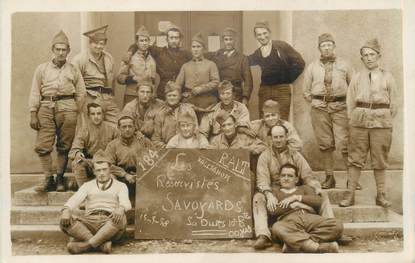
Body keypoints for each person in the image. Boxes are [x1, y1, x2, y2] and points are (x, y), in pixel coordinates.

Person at [340, 39, 397, 208]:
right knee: (355, 158)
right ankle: (350, 195)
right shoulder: (357, 77)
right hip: (359, 123)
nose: (369, 58)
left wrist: (382, 117)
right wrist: (354, 120)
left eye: (372, 54)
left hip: (381, 123)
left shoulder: (388, 77)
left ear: (379, 56)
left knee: (379, 159)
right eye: (365, 55)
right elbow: (350, 103)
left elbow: (394, 104)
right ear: (362, 59)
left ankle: (381, 195)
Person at [253, 125, 328, 250]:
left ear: (286, 137)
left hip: (294, 190)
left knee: (322, 195)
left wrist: (316, 187)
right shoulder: (265, 156)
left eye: (281, 137)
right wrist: (268, 194)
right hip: (275, 193)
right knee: (258, 197)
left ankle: (326, 224)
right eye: (275, 137)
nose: (278, 140)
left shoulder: (296, 155)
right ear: (271, 138)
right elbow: (262, 180)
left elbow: (307, 176)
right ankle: (263, 235)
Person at [29, 30, 85, 192]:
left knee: (64, 145)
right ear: (52, 50)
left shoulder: (73, 69)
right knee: (43, 145)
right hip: (46, 107)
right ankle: (48, 178)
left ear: (68, 51)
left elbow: (81, 92)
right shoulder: (42, 69)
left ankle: (60, 177)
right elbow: (35, 91)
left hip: (68, 108)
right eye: (58, 49)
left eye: (64, 49)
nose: (61, 52)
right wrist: (33, 112)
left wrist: (74, 109)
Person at [303, 33, 356, 190]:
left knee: (344, 143)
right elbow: (305, 90)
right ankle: (329, 177)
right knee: (325, 144)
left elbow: (354, 88)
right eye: (323, 45)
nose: (326, 48)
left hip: (340, 108)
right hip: (319, 109)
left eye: (329, 45)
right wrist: (313, 101)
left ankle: (352, 179)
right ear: (319, 48)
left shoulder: (345, 65)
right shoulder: (312, 67)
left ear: (334, 46)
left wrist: (348, 106)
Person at [59, 149, 131, 254]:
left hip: (109, 222)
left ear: (110, 169)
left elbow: (126, 202)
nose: (102, 173)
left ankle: (86, 246)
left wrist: (121, 208)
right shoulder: (87, 185)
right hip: (89, 221)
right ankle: (100, 245)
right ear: (94, 171)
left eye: (104, 169)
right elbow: (75, 199)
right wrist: (66, 210)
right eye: (98, 170)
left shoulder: (120, 185)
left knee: (121, 218)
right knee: (64, 220)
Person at [270, 163, 343, 253]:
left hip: (310, 219)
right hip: (289, 221)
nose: (286, 178)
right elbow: (273, 211)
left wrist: (296, 198)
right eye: (283, 175)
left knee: (337, 225)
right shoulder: (275, 193)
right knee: (277, 227)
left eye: (290, 176)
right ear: (279, 178)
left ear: (296, 179)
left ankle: (294, 243)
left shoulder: (304, 188)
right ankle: (317, 248)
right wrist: (295, 205)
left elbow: (318, 201)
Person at [248, 20, 305, 120]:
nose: (262, 37)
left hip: (281, 90)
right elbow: (245, 61)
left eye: (265, 33)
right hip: (265, 90)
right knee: (264, 120)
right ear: (256, 37)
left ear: (269, 33)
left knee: (282, 120)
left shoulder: (281, 46)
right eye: (259, 34)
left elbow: (300, 62)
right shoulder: (258, 53)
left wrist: (288, 78)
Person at [125, 23, 192, 100]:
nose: (174, 40)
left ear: (180, 39)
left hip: (180, 92)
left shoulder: (186, 54)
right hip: (163, 93)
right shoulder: (159, 52)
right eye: (171, 38)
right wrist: (129, 52)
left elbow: (199, 58)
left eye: (176, 38)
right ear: (167, 39)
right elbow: (139, 45)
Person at [72, 25, 119, 126]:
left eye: (101, 44)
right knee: (90, 128)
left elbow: (112, 80)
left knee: (117, 125)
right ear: (89, 43)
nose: (98, 46)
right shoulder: (79, 59)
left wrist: (110, 96)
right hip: (89, 97)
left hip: (107, 97)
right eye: (95, 43)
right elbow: (75, 84)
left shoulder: (109, 58)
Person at [69, 103, 119, 188]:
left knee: (112, 182)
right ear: (88, 116)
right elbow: (75, 149)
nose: (96, 116)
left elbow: (119, 146)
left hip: (108, 163)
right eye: (93, 114)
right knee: (77, 163)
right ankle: (84, 191)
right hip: (90, 162)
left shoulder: (112, 129)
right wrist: (78, 154)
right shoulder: (83, 130)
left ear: (103, 115)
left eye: (99, 113)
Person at [105, 112, 153, 196]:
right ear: (119, 128)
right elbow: (107, 164)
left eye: (130, 126)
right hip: (122, 178)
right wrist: (125, 174)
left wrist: (141, 174)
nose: (127, 129)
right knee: (110, 176)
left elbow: (156, 159)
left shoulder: (144, 142)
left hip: (141, 177)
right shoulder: (112, 145)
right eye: (124, 127)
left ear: (134, 127)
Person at [205, 27, 253, 104]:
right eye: (226, 39)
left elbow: (248, 80)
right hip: (220, 93)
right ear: (223, 41)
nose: (228, 42)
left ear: (235, 41)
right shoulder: (217, 56)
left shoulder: (242, 58)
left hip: (236, 93)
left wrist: (245, 97)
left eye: (231, 39)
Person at [175, 32, 220, 113]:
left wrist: (202, 88)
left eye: (198, 47)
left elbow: (216, 82)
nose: (195, 49)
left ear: (204, 49)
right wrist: (180, 95)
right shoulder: (185, 66)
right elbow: (177, 85)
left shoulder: (211, 64)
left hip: (207, 100)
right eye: (193, 47)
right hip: (189, 100)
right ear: (191, 49)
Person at [117, 25, 157, 105]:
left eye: (146, 40)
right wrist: (133, 78)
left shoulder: (152, 59)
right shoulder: (129, 57)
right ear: (137, 43)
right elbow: (119, 78)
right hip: (132, 95)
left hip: (147, 96)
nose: (144, 43)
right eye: (141, 41)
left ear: (149, 42)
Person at [152, 81, 197, 147]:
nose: (172, 98)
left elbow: (196, 131)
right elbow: (155, 139)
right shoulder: (160, 113)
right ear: (166, 97)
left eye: (174, 95)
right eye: (169, 95)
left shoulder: (188, 110)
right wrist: (166, 147)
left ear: (179, 97)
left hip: (187, 147)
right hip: (167, 148)